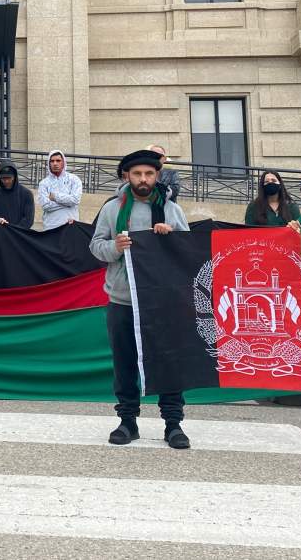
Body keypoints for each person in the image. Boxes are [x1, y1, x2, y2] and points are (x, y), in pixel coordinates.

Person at [90, 149, 192, 450]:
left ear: (157, 176)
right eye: (137, 174)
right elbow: (96, 247)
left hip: (164, 300)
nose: (143, 179)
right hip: (123, 299)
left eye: (149, 174)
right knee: (124, 363)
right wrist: (116, 247)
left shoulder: (172, 209)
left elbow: (188, 250)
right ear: (127, 176)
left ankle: (173, 423)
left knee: (169, 361)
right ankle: (128, 421)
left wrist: (171, 235)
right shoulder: (112, 209)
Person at [38, 150, 82, 230]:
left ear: (63, 162)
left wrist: (55, 197)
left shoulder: (74, 179)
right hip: (50, 227)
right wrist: (68, 202)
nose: (55, 163)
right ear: (49, 163)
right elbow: (46, 205)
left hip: (70, 225)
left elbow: (75, 200)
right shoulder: (43, 183)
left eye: (58, 161)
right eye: (52, 161)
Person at [0, 162, 34, 228]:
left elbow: (28, 219)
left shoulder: (27, 194)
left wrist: (14, 230)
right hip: (0, 232)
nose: (6, 181)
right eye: (3, 178)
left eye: (9, 178)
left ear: (15, 177)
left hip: (20, 234)